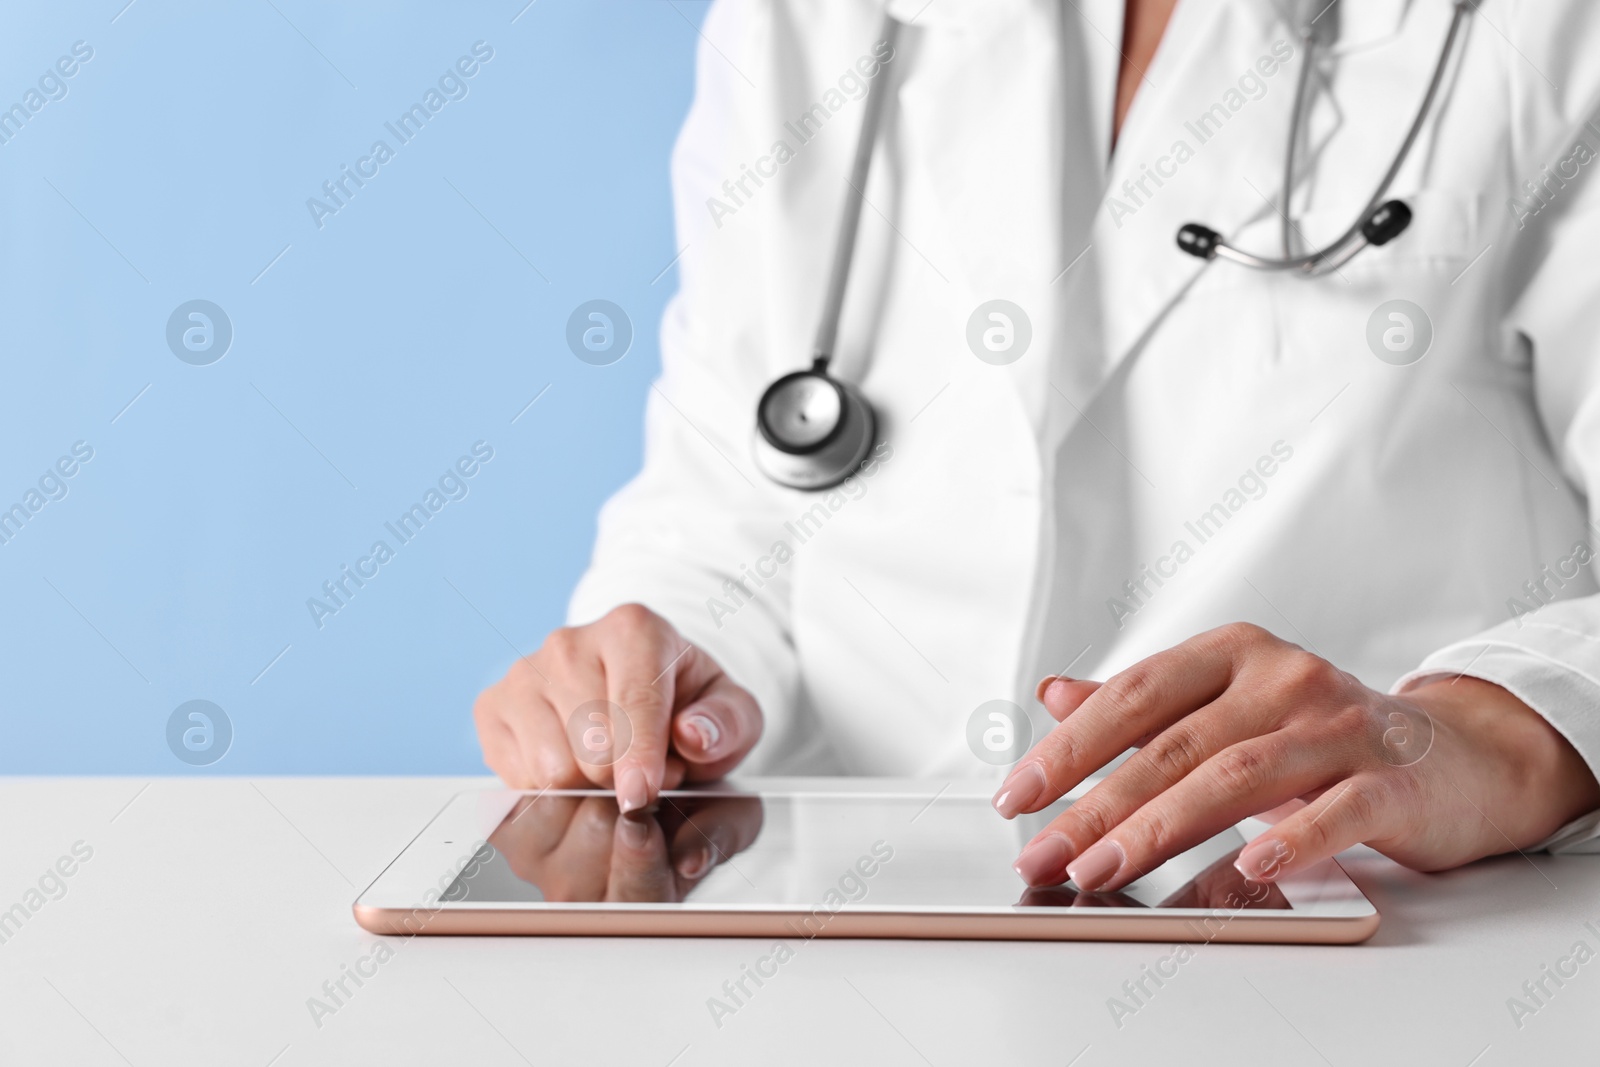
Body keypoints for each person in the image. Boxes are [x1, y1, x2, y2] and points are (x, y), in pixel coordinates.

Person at [475, 0, 1600, 893]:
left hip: (1356, 923)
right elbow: (731, 501)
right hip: (859, 949)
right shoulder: (802, 23)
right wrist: (660, 667)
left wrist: (1498, 731)